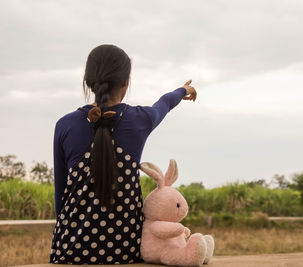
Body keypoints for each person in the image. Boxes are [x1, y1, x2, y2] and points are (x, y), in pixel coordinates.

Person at [49, 44, 197, 264]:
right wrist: (183, 90)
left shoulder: (65, 125)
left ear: (88, 80)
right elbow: (164, 104)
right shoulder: (140, 119)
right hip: (124, 250)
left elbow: (60, 195)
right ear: (126, 82)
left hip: (71, 248)